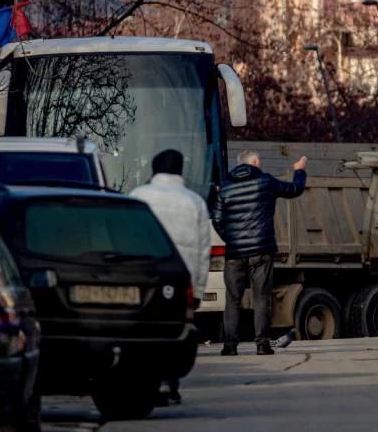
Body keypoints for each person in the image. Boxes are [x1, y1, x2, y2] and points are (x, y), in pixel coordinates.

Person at [130, 149, 210, 405]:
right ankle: (169, 382)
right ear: (179, 171)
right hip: (179, 280)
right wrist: (197, 291)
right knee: (174, 331)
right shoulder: (195, 201)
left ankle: (144, 382)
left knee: (144, 332)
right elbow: (203, 251)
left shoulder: (138, 196)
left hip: (144, 278)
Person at [211, 150, 307, 356]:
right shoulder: (265, 182)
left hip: (234, 253)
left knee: (232, 299)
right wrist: (299, 171)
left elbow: (217, 220)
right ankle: (262, 345)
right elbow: (295, 190)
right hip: (261, 251)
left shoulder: (225, 188)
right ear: (254, 162)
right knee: (261, 298)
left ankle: (230, 346)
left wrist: (232, 239)